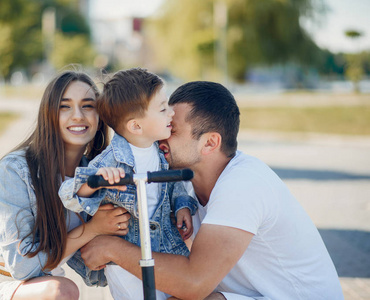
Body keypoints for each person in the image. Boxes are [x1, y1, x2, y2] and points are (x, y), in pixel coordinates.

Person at [78, 81, 344, 300]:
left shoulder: (244, 183)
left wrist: (112, 248)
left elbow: (194, 283)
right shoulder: (182, 186)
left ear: (210, 143)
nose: (160, 136)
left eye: (172, 129)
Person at [0, 70, 131, 300]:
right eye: (64, 106)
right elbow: (23, 268)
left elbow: (95, 273)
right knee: (62, 290)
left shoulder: (95, 177)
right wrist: (93, 229)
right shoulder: (15, 170)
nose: (78, 115)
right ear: (49, 115)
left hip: (43, 283)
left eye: (88, 106)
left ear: (99, 117)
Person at [59, 68, 198, 300]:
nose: (172, 112)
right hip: (125, 257)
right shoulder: (110, 161)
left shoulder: (161, 150)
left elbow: (173, 186)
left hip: (166, 245)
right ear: (136, 127)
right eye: (163, 108)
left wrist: (183, 205)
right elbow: (68, 194)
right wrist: (95, 181)